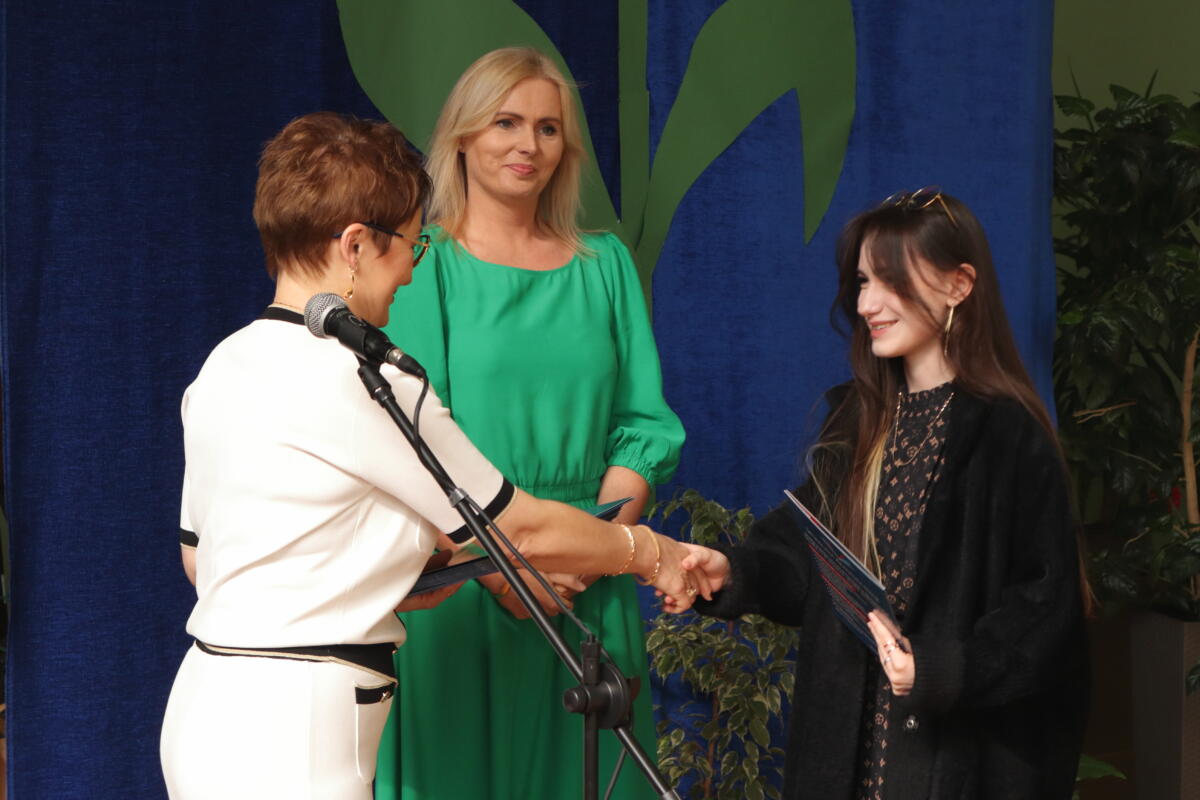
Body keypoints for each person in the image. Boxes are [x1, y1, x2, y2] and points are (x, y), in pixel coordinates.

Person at [159, 112, 701, 800]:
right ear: (356, 245)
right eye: (410, 246)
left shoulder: (224, 365)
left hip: (205, 707)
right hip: (301, 730)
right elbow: (521, 526)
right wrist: (652, 553)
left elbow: (204, 561)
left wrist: (392, 571)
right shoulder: (366, 379)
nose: (412, 272)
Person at [671, 189, 1090, 799]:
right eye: (864, 281)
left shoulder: (1009, 434)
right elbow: (802, 556)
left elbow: (1045, 610)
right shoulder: (856, 420)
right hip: (842, 753)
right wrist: (733, 572)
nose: (867, 303)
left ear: (959, 284)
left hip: (952, 765)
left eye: (891, 280)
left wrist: (942, 671)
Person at [376, 48, 685, 800]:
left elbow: (642, 428)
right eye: (506, 123)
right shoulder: (423, 264)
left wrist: (588, 555)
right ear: (462, 136)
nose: (529, 145)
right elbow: (411, 442)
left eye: (548, 128)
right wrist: (508, 571)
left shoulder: (605, 265)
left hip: (587, 587)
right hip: (467, 582)